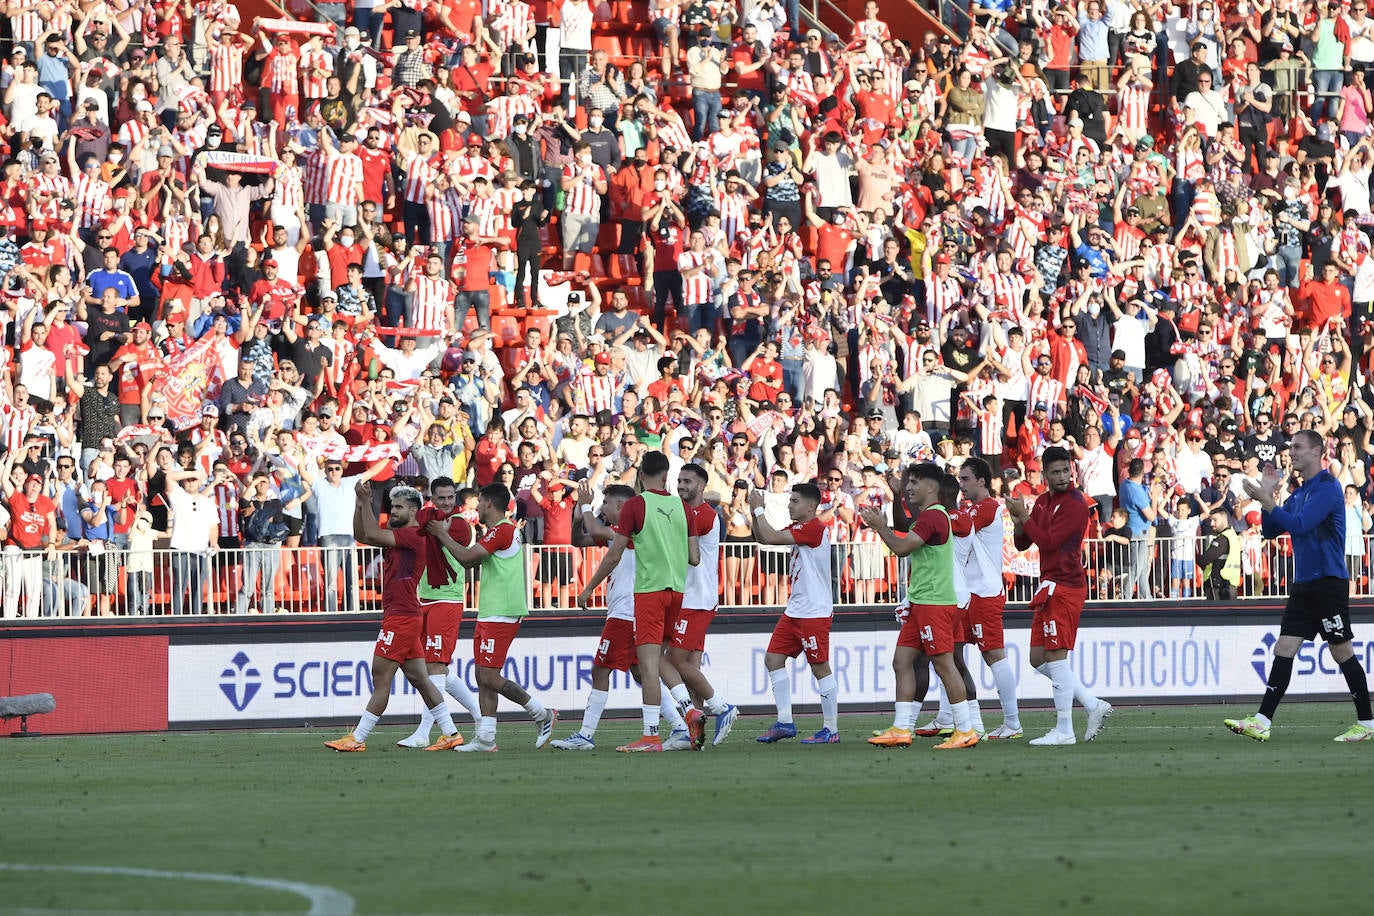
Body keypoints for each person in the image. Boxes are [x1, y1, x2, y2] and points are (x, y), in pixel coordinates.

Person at [1226, 430, 1374, 742]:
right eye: (1290, 447)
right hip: (1305, 583)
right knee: (1284, 647)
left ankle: (1367, 724)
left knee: (1341, 651)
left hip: (1327, 583)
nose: (1290, 452)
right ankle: (1262, 720)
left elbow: (1300, 525)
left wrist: (1267, 499)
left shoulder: (1327, 488)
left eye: (1297, 447)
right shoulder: (1300, 492)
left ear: (1317, 452)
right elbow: (1270, 530)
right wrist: (1269, 493)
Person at [324, 482, 466, 753]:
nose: (393, 512)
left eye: (398, 507)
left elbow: (373, 534)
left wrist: (366, 501)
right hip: (405, 614)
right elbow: (362, 534)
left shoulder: (414, 534)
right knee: (420, 679)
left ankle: (358, 738)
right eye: (392, 507)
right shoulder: (401, 533)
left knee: (381, 677)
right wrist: (359, 503)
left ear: (414, 511)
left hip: (401, 616)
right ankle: (450, 733)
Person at [577, 450, 700, 753]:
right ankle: (687, 711)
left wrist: (589, 587)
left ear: (641, 475)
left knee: (647, 667)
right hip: (676, 592)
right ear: (667, 474)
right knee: (654, 662)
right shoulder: (681, 507)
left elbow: (614, 553)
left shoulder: (636, 504)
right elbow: (694, 557)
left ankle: (652, 736)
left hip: (647, 593)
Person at [426, 482, 559, 752]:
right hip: (492, 610)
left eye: (480, 501)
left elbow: (465, 558)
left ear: (488, 503)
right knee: (482, 673)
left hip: (503, 611)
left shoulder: (502, 530)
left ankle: (541, 713)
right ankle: (486, 738)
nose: (476, 506)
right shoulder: (501, 530)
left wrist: (441, 534)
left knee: (488, 676)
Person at [861, 464, 979, 750]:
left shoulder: (933, 517)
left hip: (934, 603)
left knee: (944, 663)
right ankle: (902, 728)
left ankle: (965, 729)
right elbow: (907, 528)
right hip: (922, 602)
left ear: (932, 486)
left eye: (914, 482)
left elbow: (901, 548)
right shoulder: (929, 517)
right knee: (902, 662)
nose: (909, 487)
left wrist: (879, 527)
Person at [1006, 445, 1113, 746]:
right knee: (1038, 659)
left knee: (1055, 656)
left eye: (1066, 470)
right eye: (1056, 472)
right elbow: (1024, 543)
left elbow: (1050, 543)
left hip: (1066, 585)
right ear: (1046, 475)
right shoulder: (1042, 502)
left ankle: (1064, 729)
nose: (1064, 476)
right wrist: (1018, 520)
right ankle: (1092, 704)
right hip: (1050, 585)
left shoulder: (1076, 504)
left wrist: (1025, 519)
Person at [552, 483, 645, 750]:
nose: (601, 508)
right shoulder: (620, 533)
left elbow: (593, 529)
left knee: (599, 669)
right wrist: (577, 519)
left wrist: (584, 503)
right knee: (642, 673)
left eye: (605, 503)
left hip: (625, 613)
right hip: (627, 611)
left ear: (620, 506)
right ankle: (681, 722)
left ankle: (585, 734)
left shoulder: (631, 533)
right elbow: (579, 540)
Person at [396, 477, 485, 749]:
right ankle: (480, 716)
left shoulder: (459, 525)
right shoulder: (427, 518)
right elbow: (410, 527)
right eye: (441, 498)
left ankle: (425, 731)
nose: (447, 502)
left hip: (446, 599)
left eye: (450, 498)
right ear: (432, 498)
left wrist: (432, 527)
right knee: (436, 669)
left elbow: (424, 530)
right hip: (422, 599)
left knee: (432, 666)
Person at [750, 481, 841, 745]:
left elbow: (769, 536)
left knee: (820, 667)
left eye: (795, 501)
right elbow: (763, 537)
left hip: (814, 612)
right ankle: (785, 722)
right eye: (790, 500)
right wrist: (754, 510)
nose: (790, 504)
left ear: (811, 506)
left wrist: (758, 510)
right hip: (796, 610)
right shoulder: (800, 528)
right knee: (773, 659)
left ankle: (831, 729)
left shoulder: (814, 528)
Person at [665, 462, 740, 747]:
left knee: (673, 661)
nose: (682, 485)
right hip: (691, 597)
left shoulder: (705, 515)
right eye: (680, 480)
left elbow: (679, 549)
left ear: (702, 486)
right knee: (690, 667)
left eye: (688, 481)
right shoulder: (685, 511)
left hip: (696, 599)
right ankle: (694, 734)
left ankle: (722, 707)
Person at [952, 458, 1022, 739]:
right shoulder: (971, 509)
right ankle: (973, 722)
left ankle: (1013, 723)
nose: (961, 484)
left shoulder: (988, 507)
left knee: (993, 655)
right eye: (959, 479)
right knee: (952, 653)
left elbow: (957, 526)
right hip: (967, 594)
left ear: (982, 481)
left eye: (966, 479)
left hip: (985, 592)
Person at [1196, 507, 1240, 600]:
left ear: (1224, 520)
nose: (1211, 524)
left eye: (1215, 520)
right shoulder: (1232, 535)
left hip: (1219, 586)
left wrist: (1200, 559)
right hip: (1230, 584)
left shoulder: (1222, 539)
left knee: (1215, 613)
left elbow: (1204, 560)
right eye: (1211, 520)